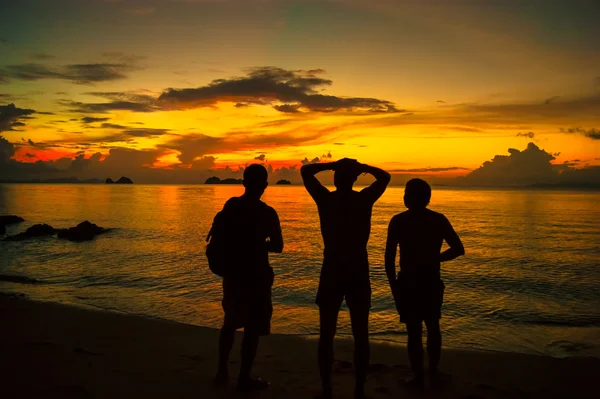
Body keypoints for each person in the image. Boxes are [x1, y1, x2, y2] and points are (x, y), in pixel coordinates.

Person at [301, 158, 391, 399]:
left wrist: (332, 164)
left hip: (332, 267)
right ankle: (358, 390)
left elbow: (306, 171)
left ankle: (328, 387)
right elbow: (385, 177)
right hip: (357, 268)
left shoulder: (327, 199)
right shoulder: (363, 199)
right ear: (354, 178)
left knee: (327, 333)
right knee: (360, 333)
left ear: (335, 178)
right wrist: (363, 167)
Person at [385, 178, 464, 390]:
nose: (403, 196)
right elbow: (458, 248)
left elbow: (389, 258)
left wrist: (393, 284)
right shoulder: (438, 220)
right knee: (432, 326)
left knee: (414, 331)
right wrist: (435, 259)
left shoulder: (399, 221)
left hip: (409, 281)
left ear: (411, 197)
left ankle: (419, 376)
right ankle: (432, 372)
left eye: (406, 192)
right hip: (430, 280)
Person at [213, 164, 283, 391]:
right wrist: (260, 244)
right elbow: (278, 246)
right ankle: (243, 377)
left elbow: (222, 235)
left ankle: (222, 370)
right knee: (252, 329)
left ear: (244, 183)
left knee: (230, 323)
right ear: (264, 185)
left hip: (234, 274)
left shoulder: (231, 205)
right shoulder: (268, 213)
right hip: (257, 276)